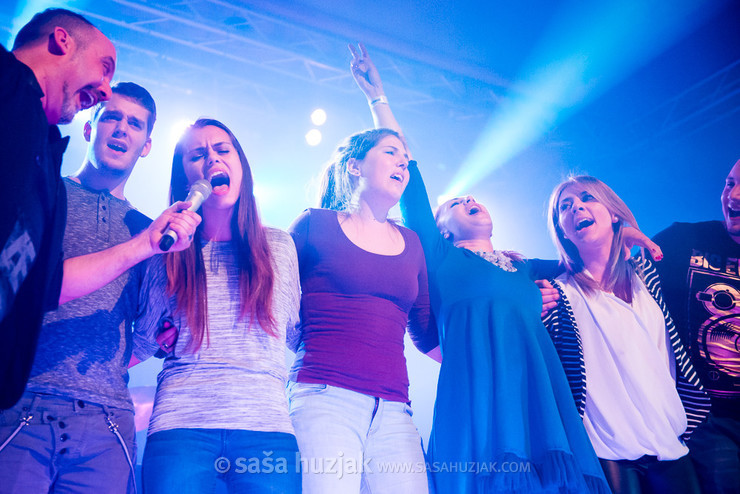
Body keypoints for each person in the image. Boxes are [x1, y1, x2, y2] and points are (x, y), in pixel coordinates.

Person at [347, 44, 609, 493]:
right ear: (441, 228)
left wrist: (631, 232)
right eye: (455, 202)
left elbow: (587, 254)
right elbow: (409, 172)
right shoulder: (440, 256)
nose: (469, 200)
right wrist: (379, 100)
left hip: (535, 402)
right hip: (476, 404)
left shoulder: (524, 266)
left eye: (473, 197)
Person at [0, 82, 201, 494]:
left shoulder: (151, 229)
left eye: (135, 124)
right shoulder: (45, 195)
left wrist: (169, 262)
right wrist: (141, 247)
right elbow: (31, 290)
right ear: (90, 129)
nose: (121, 129)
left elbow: (145, 336)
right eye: (111, 117)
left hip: (107, 422)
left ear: (146, 145)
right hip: (24, 403)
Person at [286, 78, 440, 491]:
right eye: (391, 153)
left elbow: (426, 334)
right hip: (323, 399)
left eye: (406, 158)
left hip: (394, 411)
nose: (403, 163)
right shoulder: (313, 225)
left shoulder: (412, 244)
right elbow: (274, 304)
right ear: (354, 165)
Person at [134, 118, 302, 494]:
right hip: (181, 427)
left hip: (266, 429)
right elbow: (144, 339)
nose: (212, 160)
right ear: (185, 178)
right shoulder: (168, 248)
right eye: (198, 155)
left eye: (222, 150)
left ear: (241, 166)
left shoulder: (279, 246)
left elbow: (295, 332)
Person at [542, 175, 711, 494]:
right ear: (562, 230)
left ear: (613, 212)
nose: (577, 207)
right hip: (606, 451)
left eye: (587, 198)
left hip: (669, 440)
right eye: (565, 207)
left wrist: (627, 235)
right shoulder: (558, 293)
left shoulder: (648, 275)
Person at [0, 7, 116, 410]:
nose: (106, 90)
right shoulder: (5, 82)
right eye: (105, 68)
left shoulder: (49, 170)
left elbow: (44, 285)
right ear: (62, 41)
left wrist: (145, 246)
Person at [651, 159, 740, 494]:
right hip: (706, 419)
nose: (734, 196)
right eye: (729, 183)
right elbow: (609, 275)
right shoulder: (682, 240)